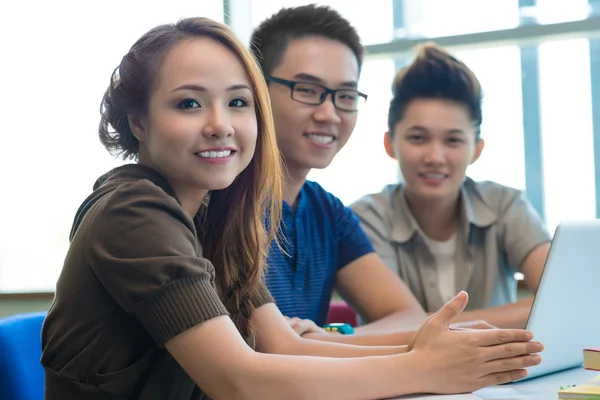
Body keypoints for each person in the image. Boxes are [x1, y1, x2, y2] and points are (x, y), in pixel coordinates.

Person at [40, 17, 543, 399]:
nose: (220, 124)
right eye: (189, 104)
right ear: (139, 122)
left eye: (238, 103)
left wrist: (438, 347)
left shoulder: (216, 214)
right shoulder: (135, 210)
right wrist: (423, 366)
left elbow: (286, 345)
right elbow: (236, 378)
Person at [249, 4, 494, 346]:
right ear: (256, 90)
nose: (329, 113)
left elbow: (408, 315)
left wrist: (333, 336)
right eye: (306, 90)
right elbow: (265, 352)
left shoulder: (327, 212)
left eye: (345, 96)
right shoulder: (223, 202)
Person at [351, 43, 551, 329]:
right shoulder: (365, 218)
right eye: (418, 138)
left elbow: (561, 299)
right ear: (389, 144)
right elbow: (396, 327)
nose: (435, 157)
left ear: (476, 150)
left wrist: (428, 324)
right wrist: (526, 313)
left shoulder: (505, 204)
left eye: (453, 141)